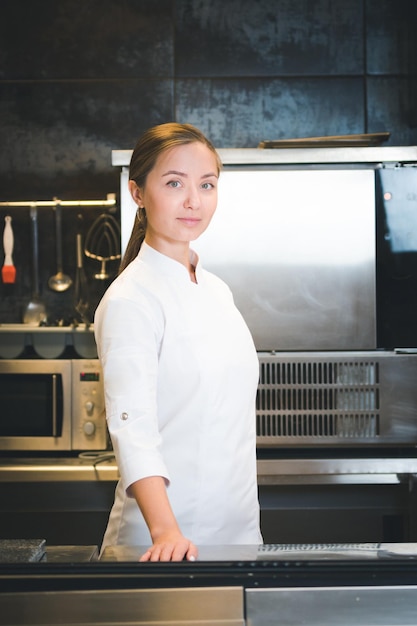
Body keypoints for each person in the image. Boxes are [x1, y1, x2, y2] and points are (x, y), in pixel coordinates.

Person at [94, 122, 262, 562]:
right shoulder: (132, 298)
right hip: (164, 546)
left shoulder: (215, 289)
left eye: (207, 185)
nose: (194, 201)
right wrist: (166, 532)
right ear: (137, 193)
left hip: (238, 537)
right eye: (174, 183)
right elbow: (133, 428)